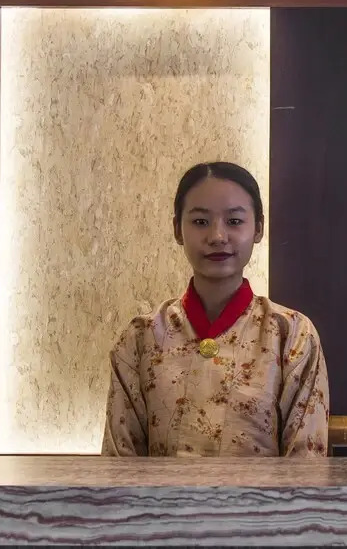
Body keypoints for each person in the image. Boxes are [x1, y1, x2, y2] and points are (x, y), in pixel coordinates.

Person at [101, 161, 330, 457]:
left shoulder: (293, 335)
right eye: (200, 222)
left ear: (259, 228)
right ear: (177, 230)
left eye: (234, 221)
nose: (218, 236)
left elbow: (305, 465)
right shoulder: (141, 338)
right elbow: (120, 464)